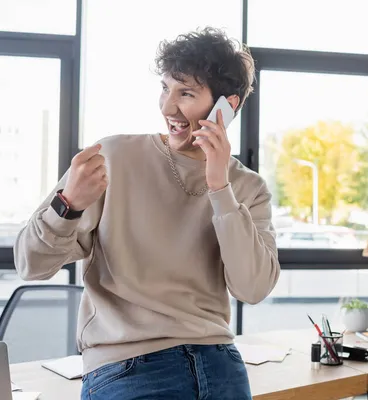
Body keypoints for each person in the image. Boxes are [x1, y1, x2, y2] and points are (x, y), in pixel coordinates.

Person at [13, 27, 280, 400]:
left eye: (185, 93)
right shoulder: (114, 158)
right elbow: (30, 264)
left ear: (227, 106)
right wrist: (68, 204)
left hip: (219, 365)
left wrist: (220, 188)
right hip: (129, 367)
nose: (168, 107)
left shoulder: (247, 188)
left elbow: (252, 288)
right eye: (165, 87)